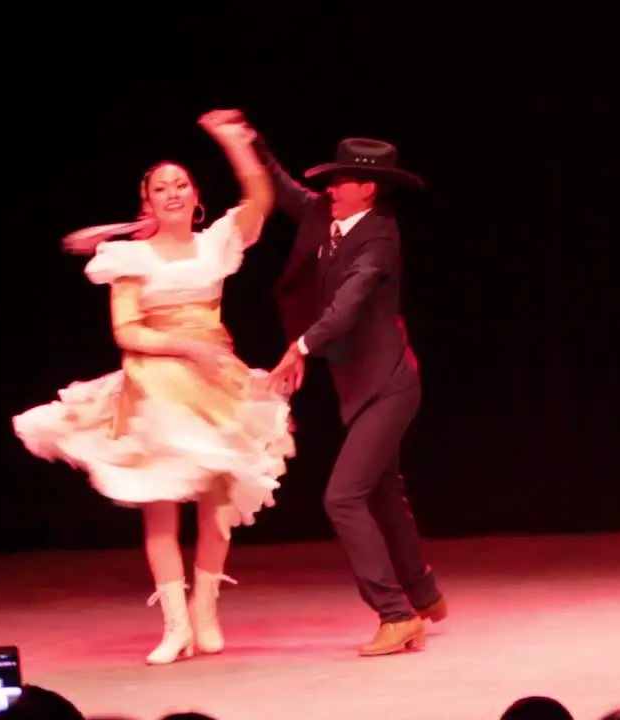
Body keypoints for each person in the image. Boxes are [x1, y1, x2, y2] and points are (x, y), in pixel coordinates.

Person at [12, 111, 295, 666]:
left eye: (181, 184)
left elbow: (260, 197)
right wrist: (187, 347)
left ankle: (206, 613)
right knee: (160, 504)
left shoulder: (215, 243)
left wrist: (232, 142)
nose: (172, 192)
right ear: (147, 202)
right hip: (159, 381)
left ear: (196, 197)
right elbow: (127, 329)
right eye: (160, 187)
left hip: (215, 380)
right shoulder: (130, 257)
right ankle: (174, 626)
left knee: (215, 505)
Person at [227, 109, 445, 657]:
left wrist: (300, 346)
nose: (329, 187)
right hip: (366, 385)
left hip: (391, 384)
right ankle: (423, 595)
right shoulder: (324, 215)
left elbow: (347, 307)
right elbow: (281, 188)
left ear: (367, 189)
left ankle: (395, 614)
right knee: (383, 493)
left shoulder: (379, 240)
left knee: (343, 497)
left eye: (340, 180)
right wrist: (250, 139)